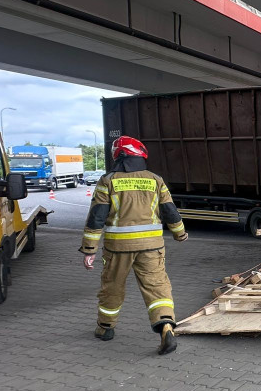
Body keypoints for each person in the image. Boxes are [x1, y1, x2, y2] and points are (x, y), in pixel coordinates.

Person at [80, 135, 187, 355]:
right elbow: (170, 211)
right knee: (157, 287)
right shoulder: (155, 180)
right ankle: (166, 325)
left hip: (117, 248)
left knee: (112, 287)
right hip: (152, 247)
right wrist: (180, 234)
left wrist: (89, 249)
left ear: (118, 155)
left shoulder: (108, 181)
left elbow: (97, 217)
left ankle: (106, 328)